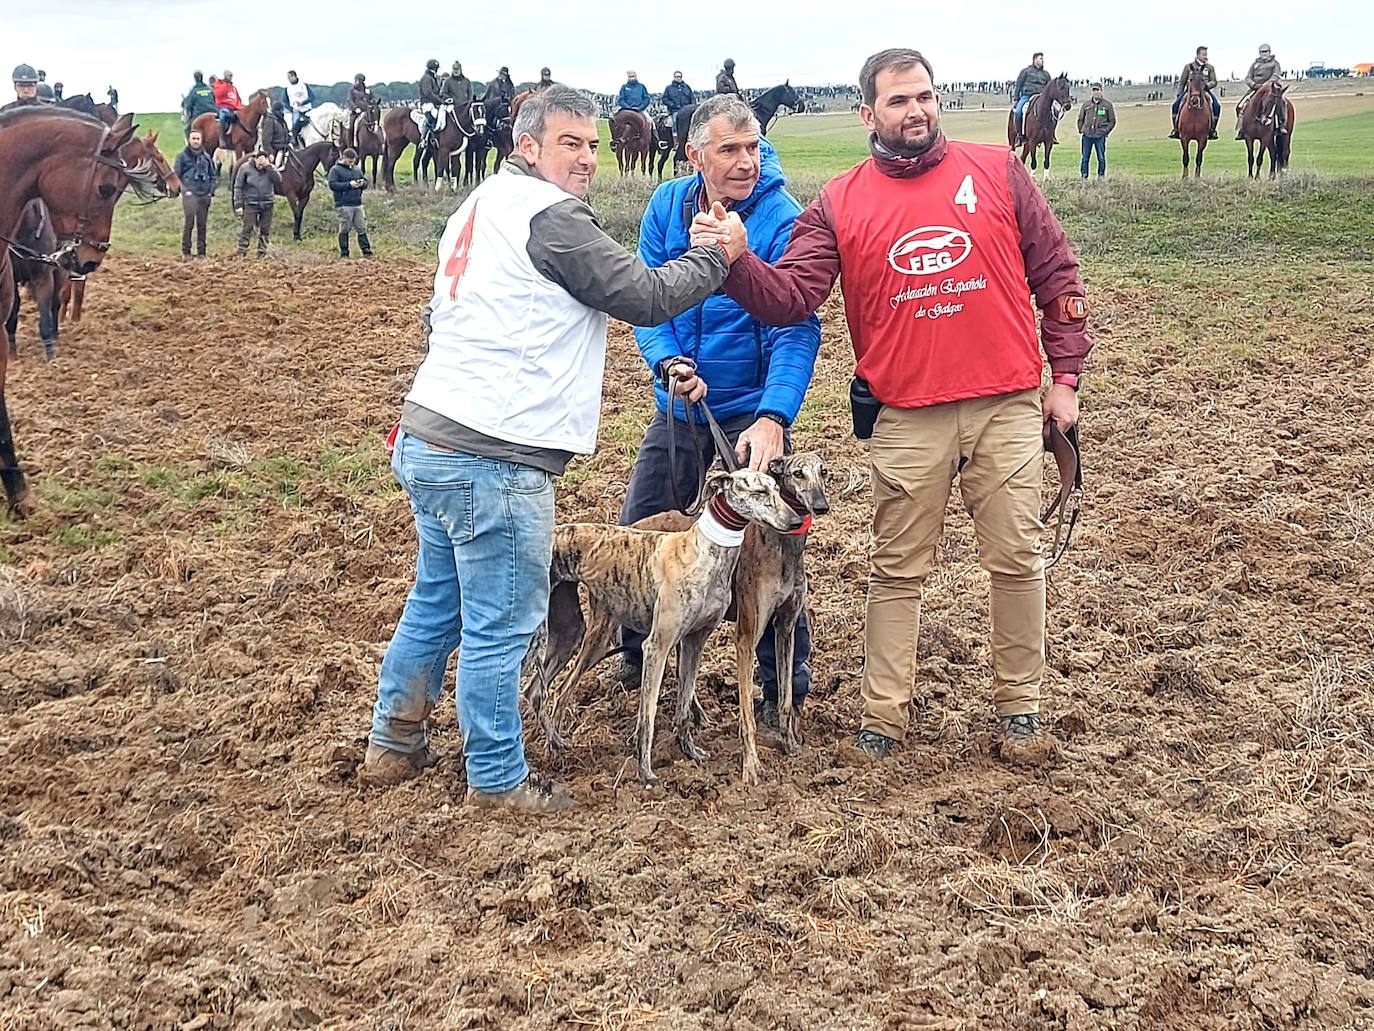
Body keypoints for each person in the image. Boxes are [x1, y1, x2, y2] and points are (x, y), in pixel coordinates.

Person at [692, 47, 1093, 762]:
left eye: (925, 97)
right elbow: (791, 298)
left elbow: (1056, 270)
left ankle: (1021, 709)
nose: (917, 110)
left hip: (1006, 404)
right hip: (906, 414)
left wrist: (1064, 378)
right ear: (868, 114)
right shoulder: (840, 203)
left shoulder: (997, 171)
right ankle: (884, 719)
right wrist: (736, 260)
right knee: (898, 570)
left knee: (1017, 559)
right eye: (900, 101)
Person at [360, 85, 747, 811]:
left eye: (595, 145)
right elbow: (643, 295)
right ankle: (499, 779)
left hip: (431, 435)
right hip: (495, 455)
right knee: (502, 622)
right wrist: (715, 256)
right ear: (528, 145)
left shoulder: (477, 207)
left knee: (438, 600)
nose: (589, 159)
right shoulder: (551, 218)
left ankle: (395, 737)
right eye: (572, 143)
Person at [621, 94, 821, 729]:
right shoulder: (665, 207)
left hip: (750, 411)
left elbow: (794, 327)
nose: (745, 161)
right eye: (729, 149)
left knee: (767, 547)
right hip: (678, 403)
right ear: (694, 155)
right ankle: (636, 651)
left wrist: (773, 417)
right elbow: (649, 301)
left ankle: (781, 677)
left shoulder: (782, 218)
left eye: (753, 146)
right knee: (646, 523)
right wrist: (667, 363)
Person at [175, 129, 219, 258]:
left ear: (201, 141)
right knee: (189, 223)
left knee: (202, 224)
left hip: (204, 195)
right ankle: (186, 252)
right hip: (190, 194)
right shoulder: (181, 156)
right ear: (189, 140)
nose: (195, 141)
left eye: (198, 139)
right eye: (193, 138)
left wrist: (211, 191)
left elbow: (213, 175)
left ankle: (202, 253)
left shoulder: (206, 157)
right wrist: (185, 191)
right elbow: (176, 176)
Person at [233, 152, 281, 258]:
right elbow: (238, 187)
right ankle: (241, 252)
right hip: (250, 203)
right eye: (258, 161)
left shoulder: (271, 169)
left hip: (267, 204)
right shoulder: (245, 168)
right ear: (254, 159)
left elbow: (278, 180)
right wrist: (238, 205)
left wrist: (268, 167)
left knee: (265, 230)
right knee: (247, 228)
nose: (260, 165)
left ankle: (262, 253)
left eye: (262, 162)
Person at [328, 148, 372, 258]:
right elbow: (332, 185)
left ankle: (366, 250)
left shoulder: (356, 170)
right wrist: (348, 185)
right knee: (344, 228)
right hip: (343, 204)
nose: (351, 163)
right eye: (349, 161)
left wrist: (362, 183)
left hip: (357, 203)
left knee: (361, 227)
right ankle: (344, 252)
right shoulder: (335, 170)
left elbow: (365, 181)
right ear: (343, 158)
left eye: (353, 161)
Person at [1170, 45, 1219, 140]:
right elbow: (1182, 82)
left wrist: (1207, 85)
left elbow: (1214, 81)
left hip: (1205, 91)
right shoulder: (1188, 67)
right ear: (1198, 55)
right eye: (1204, 54)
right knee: (1175, 105)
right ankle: (1176, 129)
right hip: (1190, 92)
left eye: (1206, 54)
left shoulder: (1210, 68)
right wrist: (1179, 95)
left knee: (1216, 106)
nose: (1206, 56)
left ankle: (1212, 130)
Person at [1237, 44, 1285, 138]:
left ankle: (1280, 125)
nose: (1264, 54)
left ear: (1269, 52)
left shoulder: (1275, 64)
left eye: (1266, 51)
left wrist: (1265, 85)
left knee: (1280, 103)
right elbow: (1248, 77)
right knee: (1240, 106)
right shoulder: (1254, 64)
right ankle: (1242, 129)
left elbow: (1275, 76)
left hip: (1271, 89)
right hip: (1255, 89)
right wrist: (1253, 85)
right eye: (1262, 52)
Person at [1077, 83, 1115, 178]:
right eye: (1094, 90)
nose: (1095, 92)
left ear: (1101, 91)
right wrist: (1081, 130)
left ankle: (1101, 176)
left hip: (1099, 136)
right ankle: (1084, 177)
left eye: (1097, 90)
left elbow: (1112, 121)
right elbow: (1080, 119)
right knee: (1085, 158)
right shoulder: (1086, 105)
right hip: (1087, 136)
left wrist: (1105, 131)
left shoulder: (1107, 105)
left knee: (1101, 158)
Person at [1012, 52, 1050, 145]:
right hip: (1027, 96)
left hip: (1041, 97)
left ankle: (1051, 135)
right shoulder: (1026, 71)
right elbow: (1018, 85)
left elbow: (1049, 87)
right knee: (1018, 112)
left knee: (1053, 113)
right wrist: (1016, 99)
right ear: (1035, 60)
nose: (1042, 60)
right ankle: (1020, 135)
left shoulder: (1046, 74)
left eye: (1042, 59)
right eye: (1040, 58)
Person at [258, 100, 292, 168]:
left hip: (284, 148)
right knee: (276, 167)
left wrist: (290, 142)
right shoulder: (269, 121)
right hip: (274, 150)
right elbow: (266, 139)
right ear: (277, 110)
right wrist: (270, 153)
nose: (283, 112)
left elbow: (287, 134)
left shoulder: (282, 121)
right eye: (281, 110)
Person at [183, 71, 217, 138]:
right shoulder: (209, 89)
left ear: (195, 78)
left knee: (187, 130)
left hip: (199, 114)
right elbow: (214, 100)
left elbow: (188, 105)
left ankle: (191, 146)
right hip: (213, 112)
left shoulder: (194, 91)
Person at [285, 69, 313, 146]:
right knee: (295, 121)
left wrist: (303, 103)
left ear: (294, 76)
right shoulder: (287, 88)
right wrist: (291, 109)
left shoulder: (304, 85)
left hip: (307, 109)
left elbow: (312, 97)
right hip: (295, 111)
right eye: (288, 78)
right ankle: (294, 138)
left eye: (290, 77)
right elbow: (284, 102)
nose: (289, 79)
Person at [419, 59, 443, 149]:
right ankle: (424, 139)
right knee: (433, 116)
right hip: (427, 103)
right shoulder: (426, 78)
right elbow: (429, 93)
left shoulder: (433, 78)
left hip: (434, 103)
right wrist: (440, 101)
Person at [213, 69, 242, 141]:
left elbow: (238, 99)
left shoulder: (233, 88)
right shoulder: (219, 85)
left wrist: (240, 108)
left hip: (234, 109)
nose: (230, 77)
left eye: (231, 76)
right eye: (229, 76)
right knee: (223, 114)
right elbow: (218, 94)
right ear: (225, 76)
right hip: (223, 107)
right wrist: (225, 84)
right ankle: (221, 137)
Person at [346, 73, 373, 148]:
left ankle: (380, 143)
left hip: (367, 112)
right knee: (352, 126)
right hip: (356, 113)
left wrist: (372, 104)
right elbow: (349, 100)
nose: (356, 82)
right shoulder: (352, 90)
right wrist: (355, 108)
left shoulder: (367, 90)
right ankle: (350, 143)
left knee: (375, 122)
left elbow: (372, 99)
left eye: (357, 80)